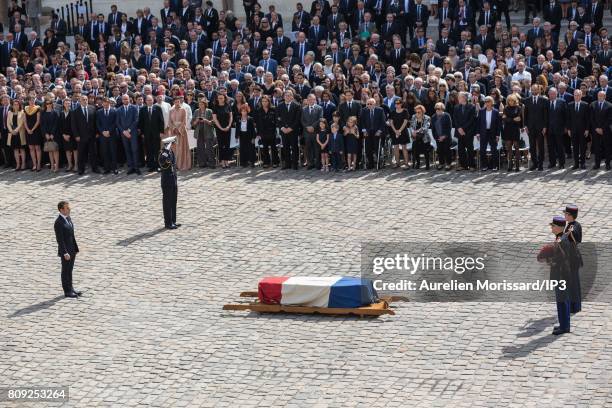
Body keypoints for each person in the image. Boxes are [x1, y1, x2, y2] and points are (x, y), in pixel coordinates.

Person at [538, 216, 579, 335]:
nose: (551, 227)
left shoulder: (561, 240)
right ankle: (563, 324)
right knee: (562, 300)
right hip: (564, 273)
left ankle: (565, 327)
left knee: (562, 301)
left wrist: (549, 258)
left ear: (560, 227)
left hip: (561, 275)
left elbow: (561, 258)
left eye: (553, 226)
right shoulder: (563, 237)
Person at [54, 200, 81, 298]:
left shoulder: (68, 218)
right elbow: (60, 240)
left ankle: (71, 288)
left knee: (70, 270)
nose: (69, 209)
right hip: (66, 252)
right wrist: (65, 252)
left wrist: (75, 248)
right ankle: (67, 291)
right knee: (65, 271)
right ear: (61, 210)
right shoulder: (58, 223)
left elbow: (71, 235)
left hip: (72, 250)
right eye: (67, 208)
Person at [71, 95, 99, 175]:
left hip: (92, 135)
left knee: (93, 153)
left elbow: (95, 122)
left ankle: (95, 168)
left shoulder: (92, 108)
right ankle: (81, 169)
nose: (85, 101)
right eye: (83, 99)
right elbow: (74, 125)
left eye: (86, 99)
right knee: (81, 154)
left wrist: (97, 132)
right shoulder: (75, 111)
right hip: (81, 136)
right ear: (80, 101)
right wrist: (76, 135)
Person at [524, 84, 549, 171]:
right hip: (530, 127)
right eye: (532, 90)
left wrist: (545, 127)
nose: (534, 91)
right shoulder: (527, 100)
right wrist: (525, 126)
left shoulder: (544, 100)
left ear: (539, 90)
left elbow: (546, 115)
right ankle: (534, 163)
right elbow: (525, 115)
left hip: (540, 127)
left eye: (535, 90)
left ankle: (540, 164)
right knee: (532, 146)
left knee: (541, 146)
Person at [563, 204, 582, 314]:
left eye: (566, 214)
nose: (564, 215)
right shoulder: (570, 224)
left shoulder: (574, 226)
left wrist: (570, 234)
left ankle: (574, 306)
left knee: (573, 282)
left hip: (573, 258)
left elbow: (577, 241)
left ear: (570, 215)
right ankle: (573, 305)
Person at [158, 137, 181, 230]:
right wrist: (166, 150)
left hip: (173, 179)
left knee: (173, 201)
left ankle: (173, 220)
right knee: (167, 202)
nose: (174, 145)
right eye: (172, 143)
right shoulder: (163, 153)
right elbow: (162, 161)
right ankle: (168, 222)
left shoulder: (171, 152)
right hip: (167, 181)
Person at [139, 95, 166, 172]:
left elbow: (161, 121)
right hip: (147, 134)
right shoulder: (142, 109)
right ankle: (151, 165)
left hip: (156, 133)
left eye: (150, 100)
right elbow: (141, 122)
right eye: (148, 100)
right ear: (145, 101)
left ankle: (158, 165)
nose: (149, 102)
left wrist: (161, 132)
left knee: (157, 150)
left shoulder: (157, 108)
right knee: (149, 150)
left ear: (153, 101)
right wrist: (142, 133)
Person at [276, 90, 301, 170]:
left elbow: (297, 119)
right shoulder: (279, 106)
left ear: (292, 96)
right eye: (286, 95)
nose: (287, 97)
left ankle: (295, 164)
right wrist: (282, 128)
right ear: (284, 97)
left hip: (293, 130)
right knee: (285, 147)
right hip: (283, 130)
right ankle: (287, 164)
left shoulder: (297, 105)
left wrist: (291, 128)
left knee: (294, 147)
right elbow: (277, 118)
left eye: (289, 95)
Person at [116, 94, 141, 175]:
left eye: (126, 99)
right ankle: (131, 167)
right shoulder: (119, 110)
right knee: (127, 150)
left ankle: (136, 167)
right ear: (122, 100)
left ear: (129, 99)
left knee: (134, 149)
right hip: (123, 134)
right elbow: (118, 122)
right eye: (124, 99)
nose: (125, 100)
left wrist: (129, 130)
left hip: (132, 133)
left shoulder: (134, 108)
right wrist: (124, 131)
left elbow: (136, 120)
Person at [452, 92, 477, 171]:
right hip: (459, 132)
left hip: (468, 131)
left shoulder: (471, 107)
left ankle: (472, 165)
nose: (458, 98)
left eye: (459, 97)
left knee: (470, 149)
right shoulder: (456, 107)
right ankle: (463, 165)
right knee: (461, 149)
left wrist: (463, 129)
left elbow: (472, 120)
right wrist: (459, 128)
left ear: (464, 98)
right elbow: (455, 119)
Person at [477, 96, 502, 171]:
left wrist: (498, 135)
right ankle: (484, 165)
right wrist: (478, 133)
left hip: (493, 132)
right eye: (485, 102)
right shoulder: (481, 111)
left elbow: (498, 124)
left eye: (488, 101)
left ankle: (494, 165)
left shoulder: (496, 111)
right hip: (483, 132)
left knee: (494, 150)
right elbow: (478, 123)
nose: (487, 103)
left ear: (492, 102)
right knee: (482, 150)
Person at [360, 98, 386, 169]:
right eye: (367, 104)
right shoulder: (364, 110)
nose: (369, 105)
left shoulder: (380, 110)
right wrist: (364, 131)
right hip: (368, 132)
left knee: (377, 148)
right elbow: (362, 122)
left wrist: (379, 131)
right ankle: (370, 164)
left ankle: (378, 163)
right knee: (368, 148)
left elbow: (383, 122)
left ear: (374, 104)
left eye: (370, 104)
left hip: (377, 132)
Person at [590, 90, 612, 170]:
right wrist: (596, 128)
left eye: (602, 96)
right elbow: (591, 118)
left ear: (605, 97)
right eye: (599, 96)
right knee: (597, 147)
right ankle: (597, 164)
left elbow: (609, 119)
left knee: (607, 147)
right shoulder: (593, 104)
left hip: (606, 130)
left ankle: (608, 164)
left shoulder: (609, 105)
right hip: (596, 130)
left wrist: (602, 128)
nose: (600, 97)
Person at [96, 97, 119, 174]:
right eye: (104, 104)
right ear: (102, 103)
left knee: (113, 151)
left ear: (109, 103)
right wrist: (102, 132)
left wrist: (109, 131)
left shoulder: (114, 111)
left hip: (112, 134)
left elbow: (115, 123)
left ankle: (114, 168)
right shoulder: (99, 112)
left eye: (107, 104)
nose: (105, 105)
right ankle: (107, 168)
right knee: (105, 152)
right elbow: (98, 123)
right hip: (103, 135)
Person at [254, 95, 278, 168]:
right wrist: (258, 133)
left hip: (272, 131)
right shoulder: (258, 110)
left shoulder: (273, 109)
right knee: (265, 148)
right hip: (262, 132)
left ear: (268, 102)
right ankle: (266, 162)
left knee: (274, 148)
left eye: (266, 101)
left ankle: (275, 162)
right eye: (263, 101)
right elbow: (257, 123)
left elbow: (276, 120)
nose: (264, 103)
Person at [568, 90, 589, 170]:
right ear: (573, 96)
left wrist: (587, 129)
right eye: (575, 95)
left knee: (583, 147)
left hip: (583, 130)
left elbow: (588, 119)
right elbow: (568, 118)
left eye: (578, 95)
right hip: (573, 130)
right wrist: (569, 129)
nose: (576, 96)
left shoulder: (585, 105)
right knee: (575, 148)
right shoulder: (570, 105)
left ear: (581, 96)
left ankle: (583, 163)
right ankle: (576, 163)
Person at [169, 96, 191, 171]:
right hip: (173, 132)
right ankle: (175, 164)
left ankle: (182, 164)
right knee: (174, 148)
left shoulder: (183, 110)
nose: (177, 103)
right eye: (175, 102)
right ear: (173, 102)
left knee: (182, 148)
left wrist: (179, 129)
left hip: (181, 132)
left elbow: (184, 121)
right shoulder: (171, 110)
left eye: (178, 102)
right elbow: (170, 121)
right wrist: (174, 129)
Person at [502, 94, 523, 172]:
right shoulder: (506, 108)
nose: (511, 102)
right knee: (509, 149)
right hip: (507, 130)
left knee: (517, 148)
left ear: (515, 101)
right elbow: (504, 119)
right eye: (509, 100)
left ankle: (517, 166)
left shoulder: (518, 108)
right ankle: (510, 165)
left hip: (515, 130)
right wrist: (513, 119)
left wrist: (509, 119)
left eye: (512, 100)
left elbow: (519, 119)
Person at [547, 87, 567, 169]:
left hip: (559, 128)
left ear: (556, 94)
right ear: (548, 94)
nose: (552, 95)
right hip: (549, 129)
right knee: (550, 147)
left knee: (560, 147)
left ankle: (561, 163)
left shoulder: (562, 102)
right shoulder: (546, 102)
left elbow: (566, 115)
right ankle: (552, 162)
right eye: (550, 94)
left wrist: (566, 127)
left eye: (554, 94)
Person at [301, 93, 323, 169]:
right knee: (308, 148)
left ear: (315, 100)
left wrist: (313, 127)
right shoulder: (304, 109)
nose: (311, 101)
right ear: (307, 100)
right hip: (307, 132)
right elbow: (302, 120)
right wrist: (307, 127)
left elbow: (320, 118)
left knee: (317, 148)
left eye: (312, 99)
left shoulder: (319, 108)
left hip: (316, 131)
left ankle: (318, 164)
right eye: (309, 99)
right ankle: (310, 163)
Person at [193, 97, 216, 168]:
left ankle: (212, 163)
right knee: (200, 147)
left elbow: (213, 122)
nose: (200, 105)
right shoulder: (196, 111)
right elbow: (193, 124)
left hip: (208, 131)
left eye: (202, 104)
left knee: (209, 147)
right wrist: (197, 121)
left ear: (205, 104)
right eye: (199, 104)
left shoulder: (210, 111)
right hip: (199, 131)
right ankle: (202, 163)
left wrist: (206, 120)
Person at [212, 93, 233, 168]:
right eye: (219, 98)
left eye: (222, 98)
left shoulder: (228, 106)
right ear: (217, 99)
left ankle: (227, 161)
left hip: (228, 128)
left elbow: (231, 116)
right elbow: (215, 119)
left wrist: (229, 126)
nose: (220, 99)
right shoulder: (215, 107)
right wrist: (220, 128)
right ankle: (222, 161)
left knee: (227, 145)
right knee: (221, 145)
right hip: (219, 128)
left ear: (224, 98)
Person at [388, 99, 410, 168]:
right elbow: (391, 122)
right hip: (394, 132)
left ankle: (406, 163)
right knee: (396, 147)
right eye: (395, 103)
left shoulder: (405, 111)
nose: (396, 105)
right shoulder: (393, 112)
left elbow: (405, 122)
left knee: (404, 147)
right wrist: (395, 131)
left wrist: (399, 130)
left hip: (403, 131)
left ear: (401, 104)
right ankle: (397, 163)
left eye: (398, 103)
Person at [431, 102, 453, 170]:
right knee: (439, 150)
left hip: (446, 137)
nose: (437, 110)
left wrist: (444, 136)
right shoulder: (433, 117)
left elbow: (449, 127)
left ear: (442, 109)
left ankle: (448, 164)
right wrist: (436, 137)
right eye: (436, 108)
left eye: (439, 108)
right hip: (438, 137)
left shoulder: (447, 115)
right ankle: (441, 163)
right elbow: (433, 129)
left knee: (447, 150)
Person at [7, 99, 26, 171]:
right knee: (15, 150)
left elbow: (22, 123)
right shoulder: (9, 112)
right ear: (12, 105)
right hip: (12, 134)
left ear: (19, 105)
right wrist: (12, 131)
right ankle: (18, 164)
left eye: (17, 104)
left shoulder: (22, 112)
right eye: (14, 104)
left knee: (21, 149)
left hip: (20, 133)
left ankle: (23, 164)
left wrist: (16, 130)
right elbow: (8, 123)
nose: (16, 106)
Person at [410, 105, 431, 170]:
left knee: (426, 151)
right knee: (415, 150)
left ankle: (427, 164)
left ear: (422, 112)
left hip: (424, 137)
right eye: (416, 112)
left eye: (419, 112)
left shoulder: (427, 118)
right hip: (416, 137)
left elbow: (426, 127)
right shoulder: (413, 117)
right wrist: (413, 132)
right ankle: (418, 163)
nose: (417, 113)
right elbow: (411, 126)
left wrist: (417, 131)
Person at [24, 97, 42, 172]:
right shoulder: (25, 108)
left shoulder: (38, 108)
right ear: (28, 101)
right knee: (31, 148)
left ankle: (38, 164)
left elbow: (38, 121)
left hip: (36, 130)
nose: (31, 101)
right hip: (28, 130)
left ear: (35, 101)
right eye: (30, 100)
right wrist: (28, 129)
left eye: (33, 100)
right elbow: (24, 120)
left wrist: (32, 129)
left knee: (37, 148)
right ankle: (34, 164)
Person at [58, 99, 77, 172]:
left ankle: (76, 165)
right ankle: (70, 165)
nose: (67, 105)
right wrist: (63, 135)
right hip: (64, 136)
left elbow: (74, 125)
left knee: (75, 150)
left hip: (72, 135)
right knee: (67, 150)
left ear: (70, 104)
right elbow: (60, 126)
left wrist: (70, 135)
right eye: (66, 103)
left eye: (69, 103)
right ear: (63, 104)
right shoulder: (61, 113)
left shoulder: (73, 112)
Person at [41, 99, 60, 172]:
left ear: (52, 104)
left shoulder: (55, 112)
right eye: (47, 103)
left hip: (54, 134)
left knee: (55, 150)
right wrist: (46, 133)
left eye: (49, 103)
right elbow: (42, 124)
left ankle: (56, 166)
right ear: (45, 105)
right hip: (46, 135)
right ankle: (52, 165)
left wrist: (52, 134)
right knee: (50, 150)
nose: (48, 105)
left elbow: (56, 124)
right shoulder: (43, 113)